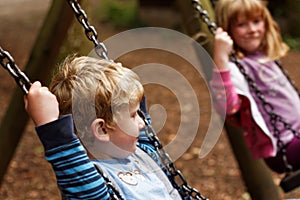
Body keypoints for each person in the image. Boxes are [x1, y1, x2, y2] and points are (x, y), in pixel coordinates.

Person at [24, 55, 183, 199]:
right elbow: (70, 163)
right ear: (102, 130)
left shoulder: (141, 155)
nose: (142, 123)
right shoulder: (95, 181)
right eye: (133, 116)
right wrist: (50, 125)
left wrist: (126, 84)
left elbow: (147, 138)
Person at [210, 0, 300, 174]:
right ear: (227, 31)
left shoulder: (264, 54)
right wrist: (220, 58)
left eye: (256, 21)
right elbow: (228, 107)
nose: (252, 29)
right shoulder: (235, 67)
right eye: (242, 24)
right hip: (283, 149)